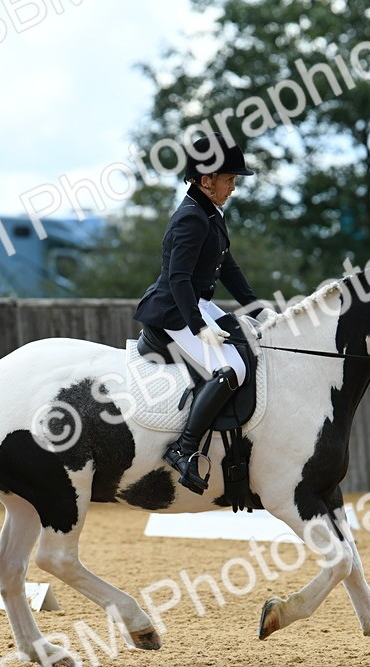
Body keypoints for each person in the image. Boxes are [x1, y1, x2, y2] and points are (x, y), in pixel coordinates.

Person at [133, 135, 267, 494]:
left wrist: (258, 308)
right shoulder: (191, 218)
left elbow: (227, 268)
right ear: (206, 179)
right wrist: (197, 326)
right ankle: (183, 448)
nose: (233, 188)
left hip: (198, 303)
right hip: (175, 310)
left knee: (247, 343)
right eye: (229, 180)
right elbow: (178, 278)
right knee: (231, 369)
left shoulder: (210, 212)